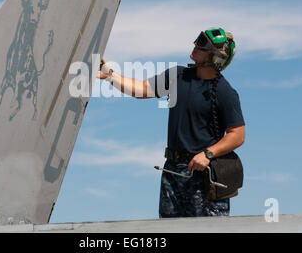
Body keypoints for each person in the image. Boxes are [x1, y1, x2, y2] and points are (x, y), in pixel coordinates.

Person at [97, 28, 245, 218]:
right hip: (172, 170)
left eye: (201, 44)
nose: (195, 46)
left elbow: (238, 135)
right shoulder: (179, 76)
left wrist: (208, 154)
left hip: (202, 175)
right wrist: (111, 75)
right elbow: (143, 89)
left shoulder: (225, 92)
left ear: (215, 57)